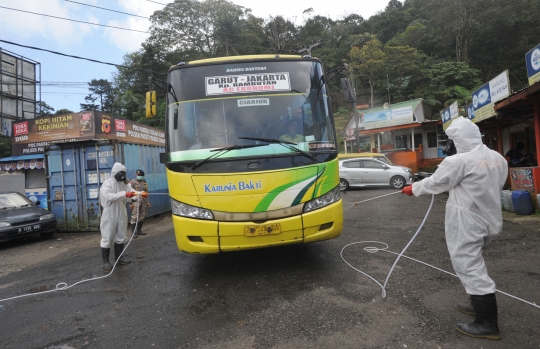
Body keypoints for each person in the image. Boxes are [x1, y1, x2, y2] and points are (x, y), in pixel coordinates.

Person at [401, 117, 507, 340]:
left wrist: (414, 188)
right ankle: (475, 304)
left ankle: (487, 324)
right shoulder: (497, 158)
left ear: (460, 140)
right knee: (475, 261)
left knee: (469, 266)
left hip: (467, 219)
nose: (447, 145)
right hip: (488, 217)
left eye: (450, 140)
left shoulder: (459, 161)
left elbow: (436, 183)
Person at [99, 163, 147, 271]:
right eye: (121, 173)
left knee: (121, 234)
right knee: (108, 236)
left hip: (121, 210)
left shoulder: (124, 184)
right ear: (115, 173)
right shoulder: (107, 184)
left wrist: (140, 194)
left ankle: (119, 258)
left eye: (124, 173)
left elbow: (131, 192)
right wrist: (125, 195)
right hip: (109, 212)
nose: (123, 175)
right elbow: (109, 197)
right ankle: (105, 261)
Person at [129, 169, 151, 238]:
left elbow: (146, 192)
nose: (140, 176)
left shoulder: (144, 182)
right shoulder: (132, 182)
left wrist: (148, 201)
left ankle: (139, 230)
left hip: (143, 201)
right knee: (134, 217)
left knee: (142, 216)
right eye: (139, 175)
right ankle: (133, 233)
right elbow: (129, 193)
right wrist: (130, 203)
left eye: (141, 175)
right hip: (135, 202)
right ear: (136, 175)